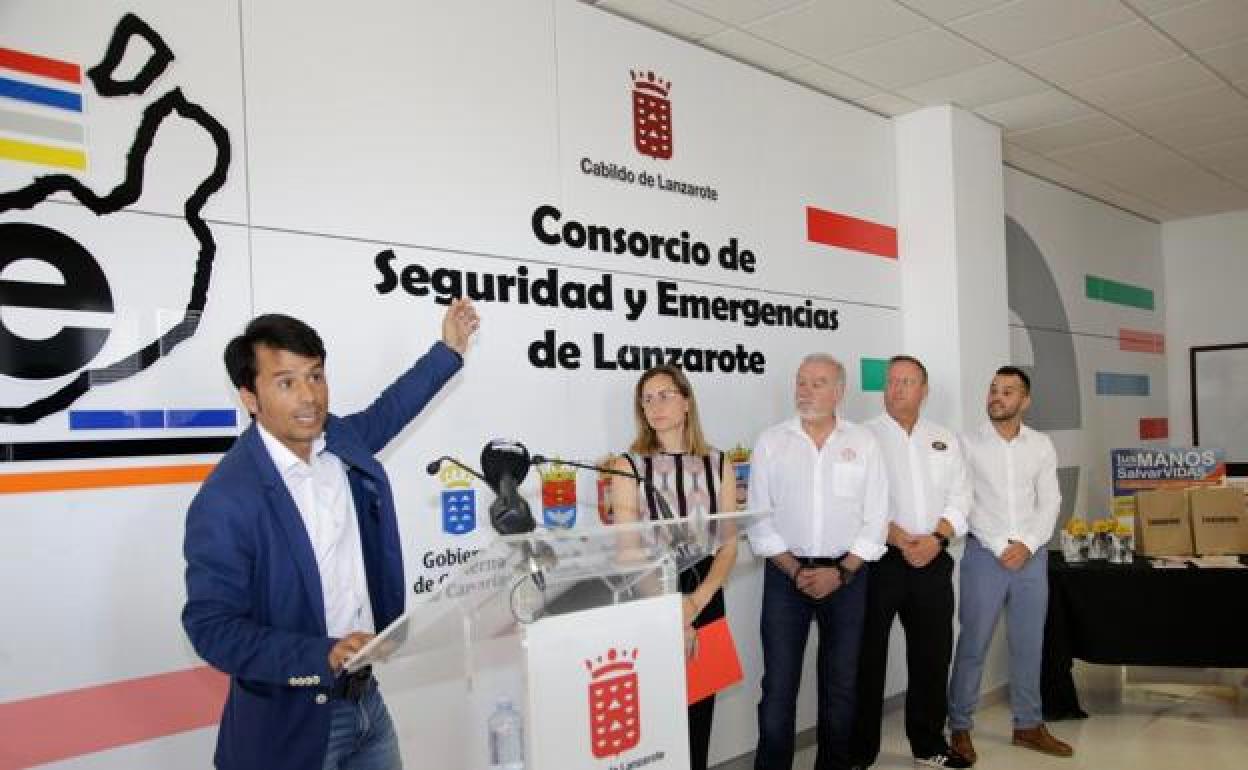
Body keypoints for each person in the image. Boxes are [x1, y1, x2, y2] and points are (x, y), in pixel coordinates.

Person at [182, 300, 480, 770]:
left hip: (366, 701)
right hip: (289, 727)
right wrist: (320, 655)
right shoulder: (227, 498)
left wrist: (448, 351)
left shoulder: (338, 441)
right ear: (250, 397)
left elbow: (390, 410)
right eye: (286, 382)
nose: (309, 396)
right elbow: (212, 629)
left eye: (315, 376)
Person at [746, 353, 889, 770]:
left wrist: (841, 573)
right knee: (778, 687)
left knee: (841, 686)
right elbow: (758, 518)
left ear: (839, 391)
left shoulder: (863, 443)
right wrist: (795, 570)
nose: (805, 391)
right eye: (801, 381)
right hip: (784, 576)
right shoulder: (771, 441)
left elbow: (876, 518)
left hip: (847, 577)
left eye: (818, 382)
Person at [610, 364, 738, 770]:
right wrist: (673, 611)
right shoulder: (627, 465)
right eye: (646, 399)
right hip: (649, 599)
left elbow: (729, 546)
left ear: (686, 402)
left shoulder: (719, 463)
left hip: (706, 594)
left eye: (665, 394)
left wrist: (695, 605)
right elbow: (628, 550)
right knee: (655, 727)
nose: (655, 405)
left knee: (699, 721)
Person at [849, 356, 972, 769]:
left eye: (908, 381)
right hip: (880, 560)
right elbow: (855, 499)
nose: (898, 388)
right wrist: (897, 536)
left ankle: (928, 745)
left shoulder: (945, 438)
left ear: (924, 390)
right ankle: (859, 751)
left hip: (933, 559)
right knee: (868, 657)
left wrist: (937, 538)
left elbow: (961, 497)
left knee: (933, 655)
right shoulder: (861, 436)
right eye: (892, 381)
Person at [947, 366, 1073, 764]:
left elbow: (1050, 501)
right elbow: (966, 502)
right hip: (986, 555)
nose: (997, 397)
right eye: (993, 390)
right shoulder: (966, 444)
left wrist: (1029, 543)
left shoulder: (1041, 445)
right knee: (973, 645)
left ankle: (1028, 726)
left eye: (1007, 391)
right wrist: (1004, 545)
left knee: (1028, 645)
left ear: (1025, 401)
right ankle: (960, 728)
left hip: (1031, 558)